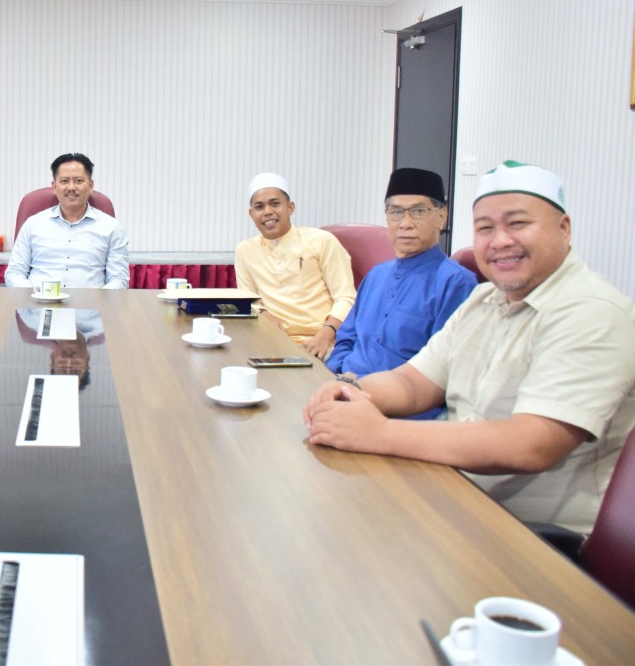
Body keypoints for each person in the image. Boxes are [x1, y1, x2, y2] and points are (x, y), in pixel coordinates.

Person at [305, 161, 635, 535]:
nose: (500, 241)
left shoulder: (593, 312)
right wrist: (350, 390)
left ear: (564, 227)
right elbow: (413, 383)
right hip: (449, 493)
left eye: (518, 223)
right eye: (485, 228)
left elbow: (532, 443)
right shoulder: (483, 300)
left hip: (530, 535)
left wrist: (377, 433)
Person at [326, 168, 477, 419]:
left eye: (418, 211)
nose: (405, 223)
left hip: (405, 412)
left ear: (441, 216)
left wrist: (363, 392)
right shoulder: (376, 275)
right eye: (396, 212)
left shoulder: (456, 283)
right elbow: (346, 338)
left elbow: (443, 372)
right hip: (344, 392)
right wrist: (337, 376)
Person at [234, 172, 355, 357]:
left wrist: (325, 336)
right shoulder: (245, 250)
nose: (267, 211)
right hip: (272, 342)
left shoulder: (321, 241)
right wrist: (264, 313)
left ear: (290, 207)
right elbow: (248, 300)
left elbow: (346, 298)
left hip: (326, 342)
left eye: (275, 203)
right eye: (259, 207)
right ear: (251, 214)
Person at [5, 153, 130, 290]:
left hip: (91, 302)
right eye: (64, 181)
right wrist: (32, 295)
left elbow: (119, 278)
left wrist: (100, 300)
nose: (71, 187)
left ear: (91, 185)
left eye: (78, 181)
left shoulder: (111, 228)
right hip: (38, 301)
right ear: (54, 187)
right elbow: (15, 272)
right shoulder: (33, 224)